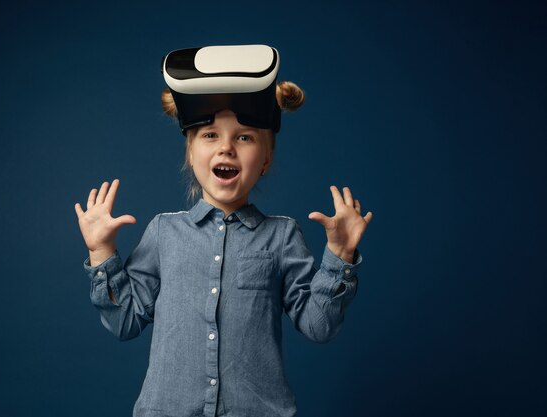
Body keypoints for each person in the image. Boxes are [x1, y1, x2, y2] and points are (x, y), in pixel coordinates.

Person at [75, 45, 372, 417]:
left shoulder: (282, 237)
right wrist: (102, 252)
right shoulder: (164, 233)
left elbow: (319, 326)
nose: (227, 148)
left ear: (265, 159)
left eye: (244, 137)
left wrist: (339, 258)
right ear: (190, 152)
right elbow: (125, 322)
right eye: (210, 135)